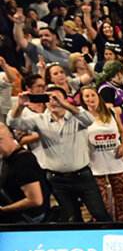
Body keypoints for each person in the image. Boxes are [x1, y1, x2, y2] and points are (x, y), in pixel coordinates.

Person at [7, 86, 112, 222]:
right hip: (57, 180)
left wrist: (65, 104)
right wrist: (20, 106)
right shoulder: (40, 120)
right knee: (71, 219)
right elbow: (12, 122)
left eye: (56, 98)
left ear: (65, 100)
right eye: (49, 98)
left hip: (83, 176)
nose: (53, 101)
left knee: (100, 214)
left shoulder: (76, 117)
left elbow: (89, 120)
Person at [79, 86, 123, 221]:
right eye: (87, 96)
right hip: (95, 162)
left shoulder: (111, 112)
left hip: (115, 159)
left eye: (93, 95)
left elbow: (122, 131)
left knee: (122, 196)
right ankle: (103, 225)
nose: (91, 98)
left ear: (98, 96)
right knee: (99, 199)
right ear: (83, 100)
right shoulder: (82, 116)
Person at [0, 122, 48, 223]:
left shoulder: (23, 162)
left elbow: (35, 200)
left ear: (11, 136)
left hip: (25, 219)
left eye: (0, 140)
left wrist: (4, 209)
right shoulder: (6, 158)